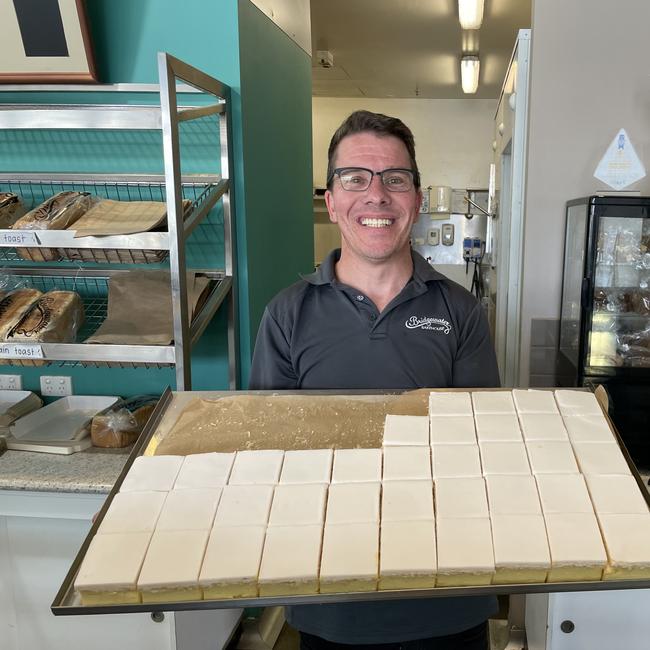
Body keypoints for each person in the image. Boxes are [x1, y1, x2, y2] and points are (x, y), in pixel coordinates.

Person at [249, 110, 500, 650]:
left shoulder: (461, 311)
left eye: (395, 178)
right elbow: (268, 454)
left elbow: (480, 448)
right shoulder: (287, 314)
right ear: (331, 199)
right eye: (355, 178)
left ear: (415, 198)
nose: (376, 195)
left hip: (447, 593)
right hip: (335, 601)